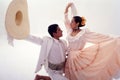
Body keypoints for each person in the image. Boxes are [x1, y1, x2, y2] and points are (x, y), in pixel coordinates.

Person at [64, 2, 120, 80]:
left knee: (87, 74)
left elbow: (99, 36)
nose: (71, 23)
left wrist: (114, 38)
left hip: (80, 58)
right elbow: (66, 19)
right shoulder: (69, 30)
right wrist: (67, 7)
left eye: (72, 21)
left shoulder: (83, 33)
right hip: (70, 59)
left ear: (77, 23)